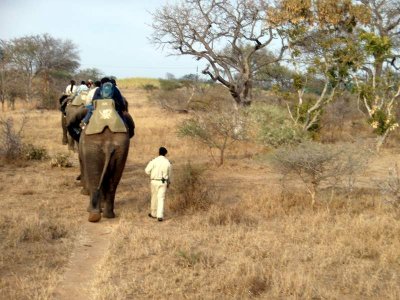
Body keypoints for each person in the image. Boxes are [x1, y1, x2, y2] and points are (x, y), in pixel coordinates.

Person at [145, 147, 172, 222]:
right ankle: (160, 216)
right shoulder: (168, 162)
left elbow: (146, 171)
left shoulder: (154, 161)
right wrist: (168, 182)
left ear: (159, 152)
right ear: (165, 154)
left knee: (154, 197)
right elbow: (169, 175)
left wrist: (152, 174)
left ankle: (153, 214)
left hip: (154, 181)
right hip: (163, 182)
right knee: (161, 198)